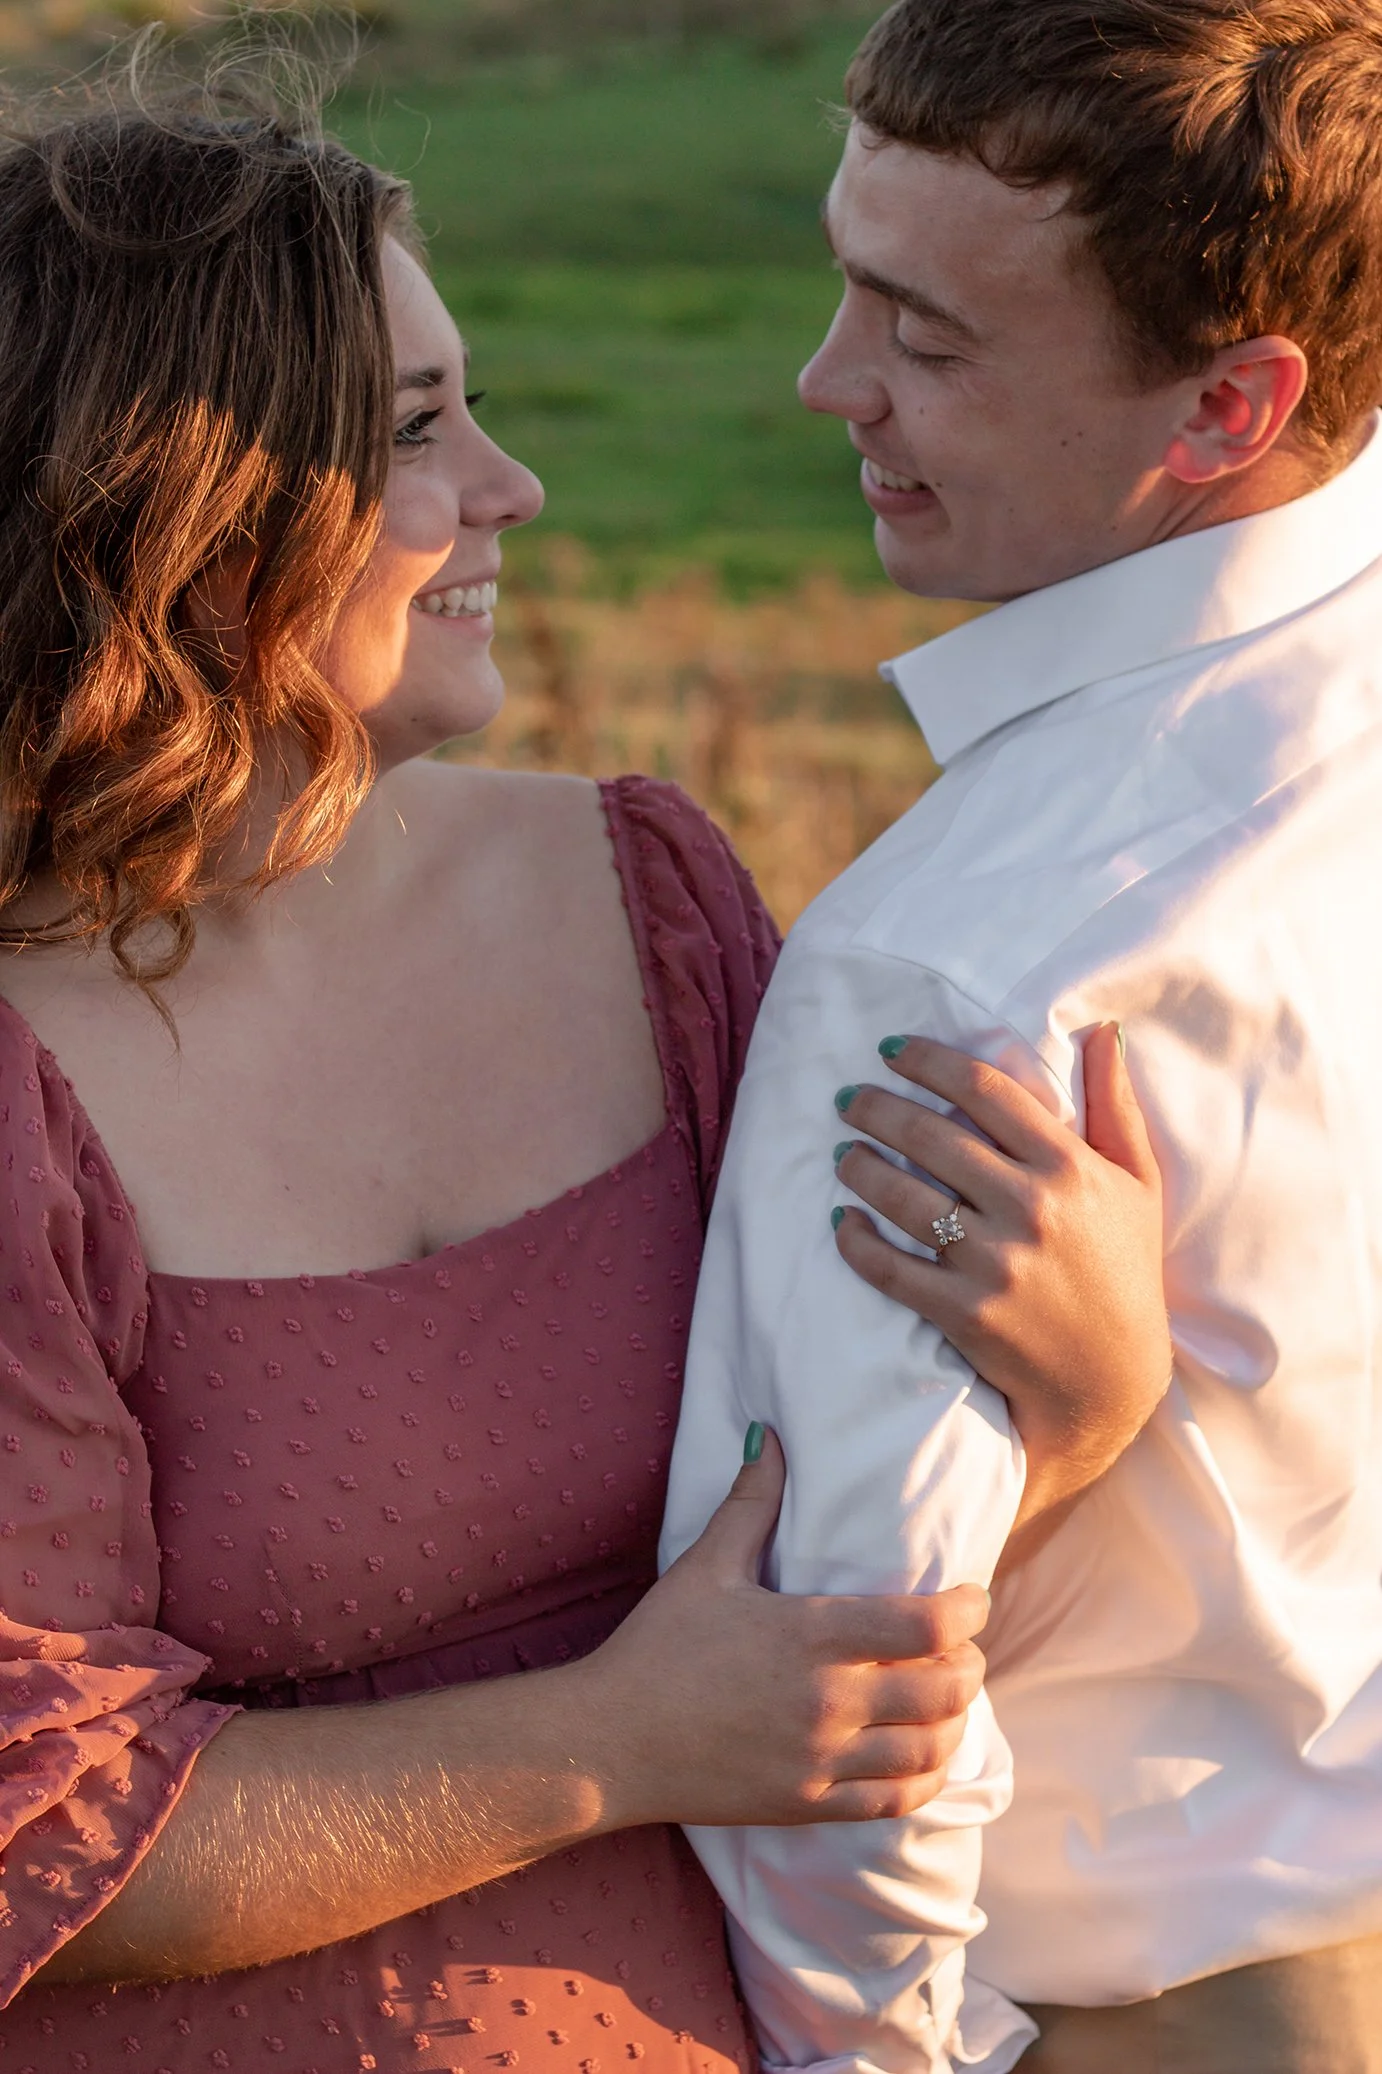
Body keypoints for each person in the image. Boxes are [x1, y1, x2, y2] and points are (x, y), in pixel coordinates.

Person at [0, 47, 1173, 2074]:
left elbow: (847, 1561)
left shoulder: (650, 896)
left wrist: (1080, 1392)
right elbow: (38, 1833)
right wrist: (612, 1740)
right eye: (418, 433)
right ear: (175, 508)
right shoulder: (30, 1078)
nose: (509, 493)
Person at [661, 2, 1382, 2071]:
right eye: (845, 278)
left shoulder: (961, 967)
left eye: (928, 337)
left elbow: (821, 1688)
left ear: (1231, 402)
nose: (827, 383)